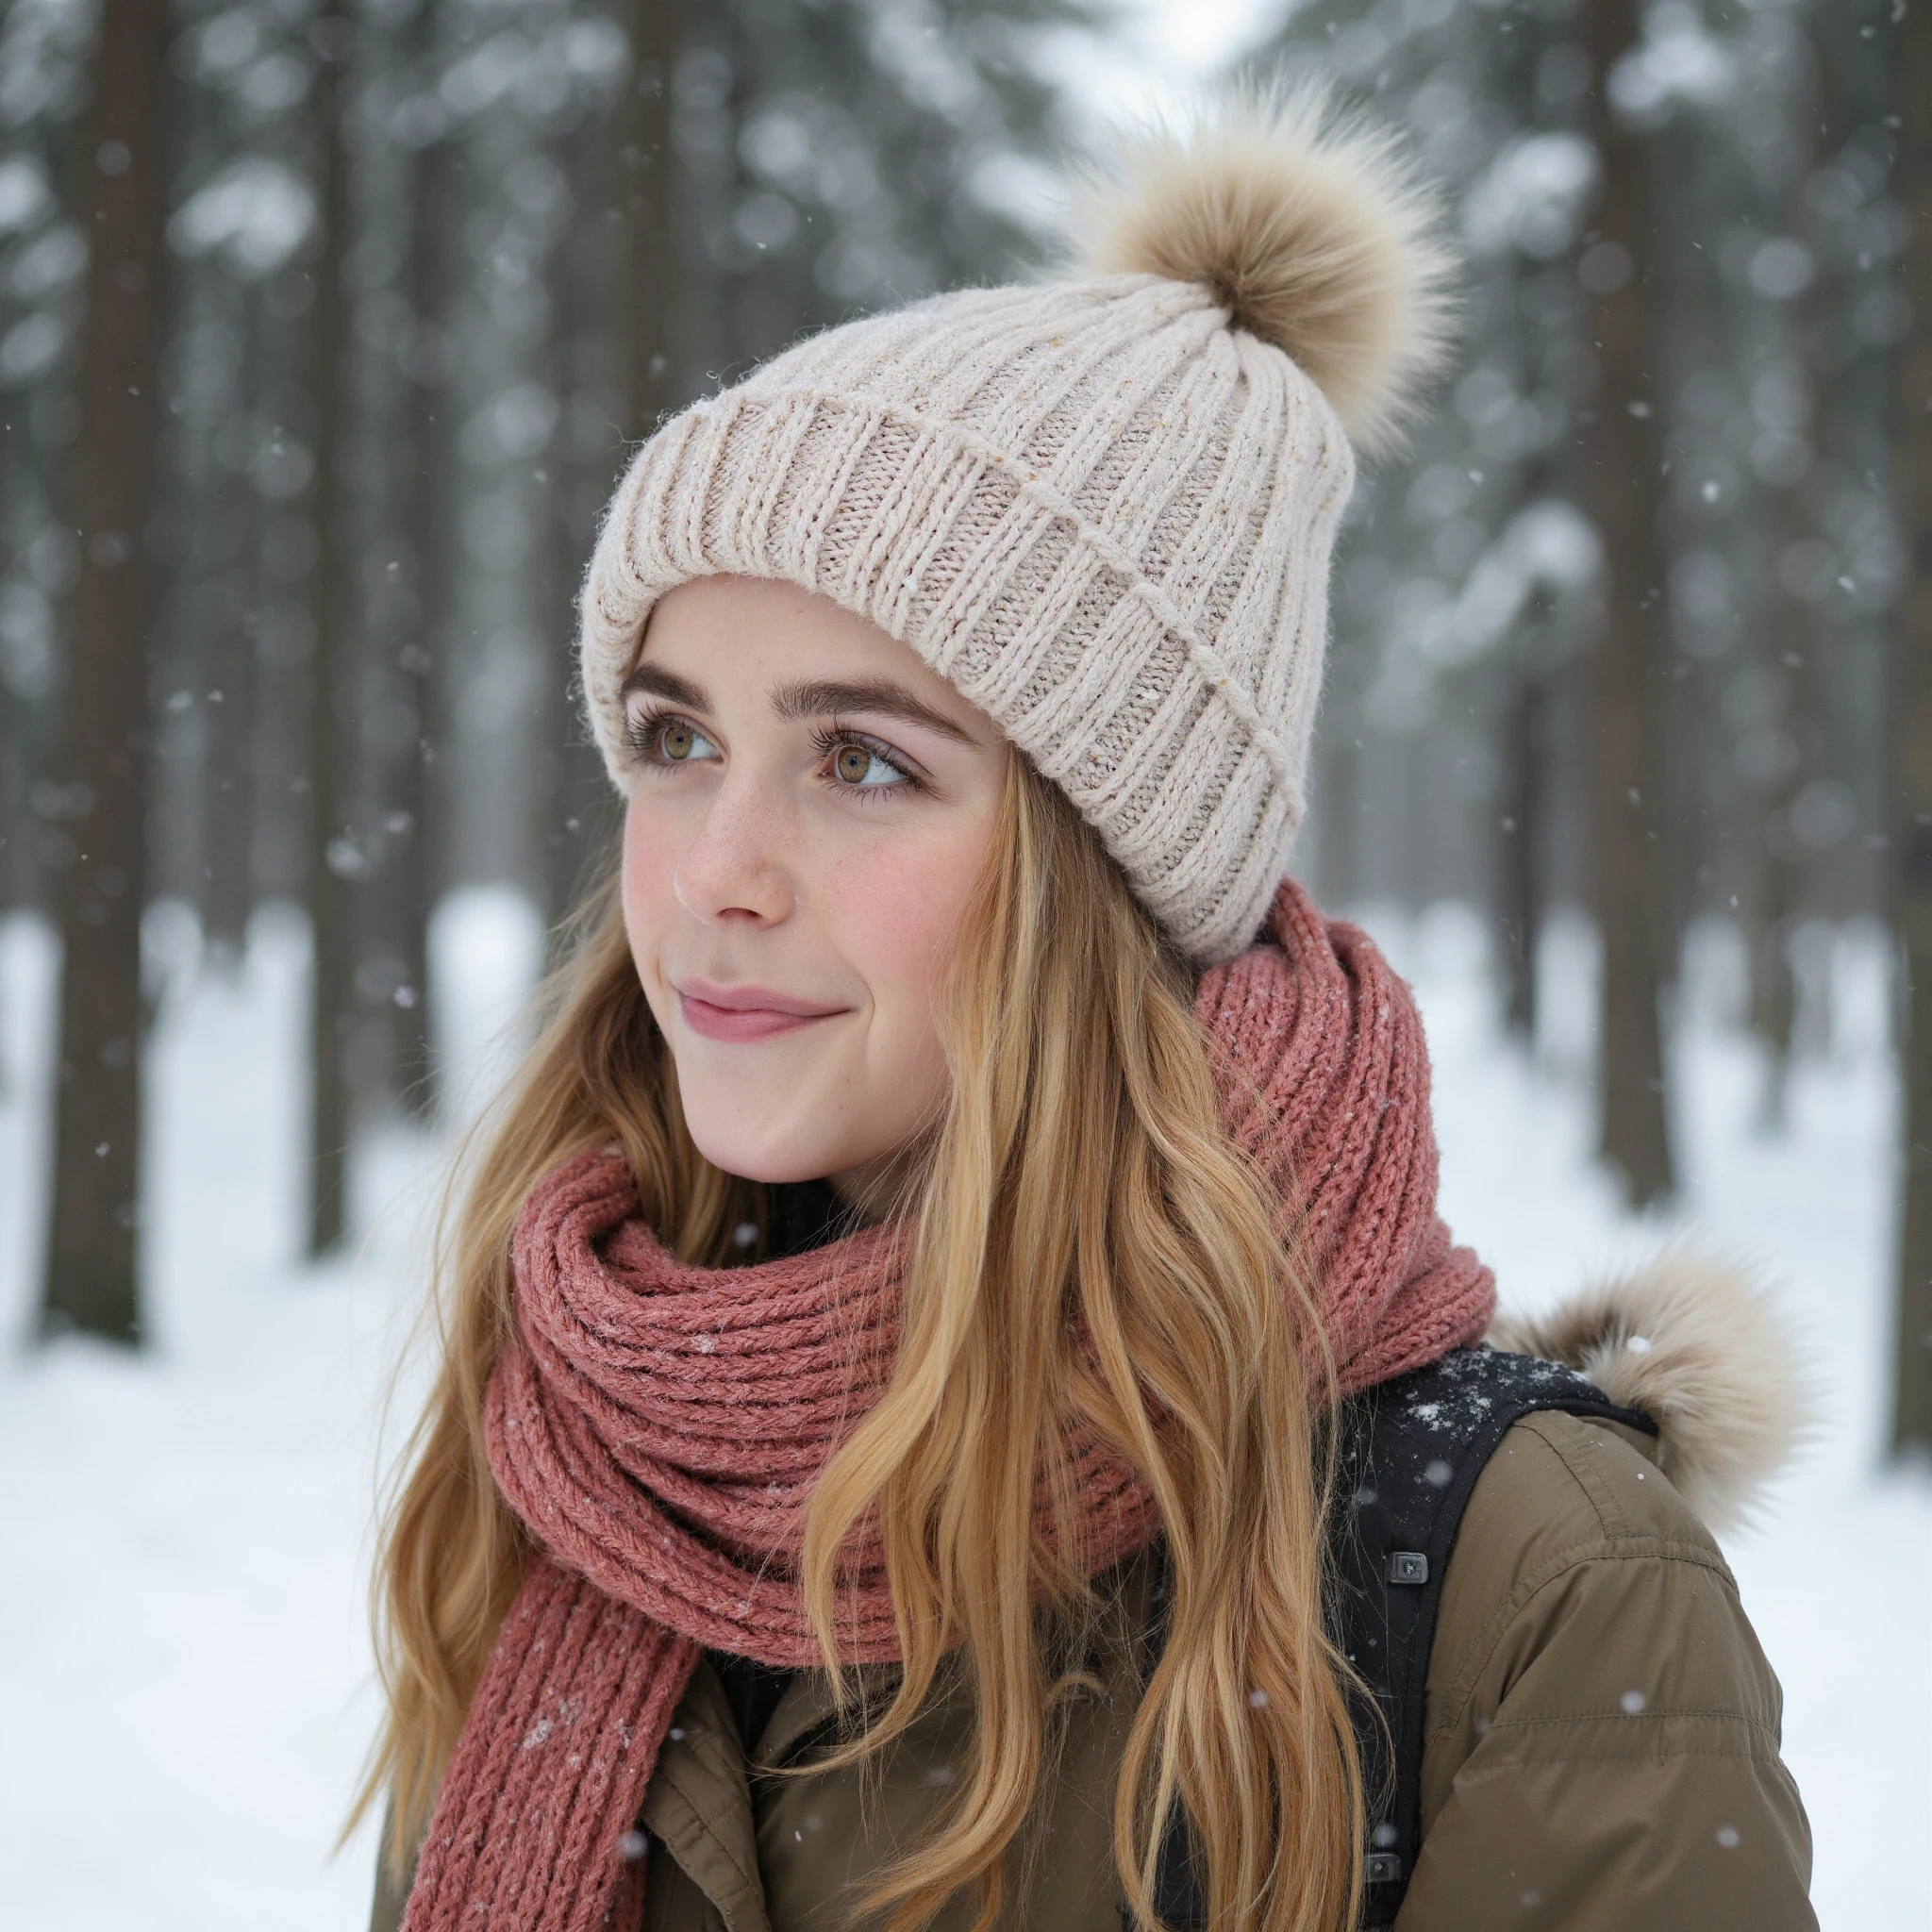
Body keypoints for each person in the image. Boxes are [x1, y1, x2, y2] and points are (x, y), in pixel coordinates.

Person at [358, 88, 1815, 1932]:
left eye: (864, 760)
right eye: (674, 737)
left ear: (1104, 873)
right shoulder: (583, 1457)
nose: (712, 865)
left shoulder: (1522, 1576)